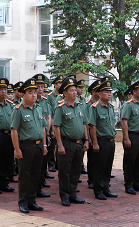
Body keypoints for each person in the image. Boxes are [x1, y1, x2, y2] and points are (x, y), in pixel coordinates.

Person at [11, 78, 47, 214]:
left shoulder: (38, 108)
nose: (33, 95)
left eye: (35, 92)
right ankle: (23, 202)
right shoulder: (18, 110)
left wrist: (44, 144)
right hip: (26, 146)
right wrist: (17, 149)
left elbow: (43, 126)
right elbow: (14, 130)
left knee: (35, 175)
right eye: (30, 92)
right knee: (25, 175)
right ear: (23, 95)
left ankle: (32, 201)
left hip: (38, 146)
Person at [53, 77, 90, 206]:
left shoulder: (80, 106)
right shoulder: (61, 107)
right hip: (66, 143)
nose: (75, 92)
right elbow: (56, 127)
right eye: (71, 90)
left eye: (75, 90)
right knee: (65, 171)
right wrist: (60, 145)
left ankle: (73, 194)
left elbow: (85, 124)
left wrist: (86, 140)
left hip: (79, 143)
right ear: (64, 93)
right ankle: (64, 196)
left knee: (76, 170)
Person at [88, 80, 118, 200]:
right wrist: (94, 142)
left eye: (110, 92)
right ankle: (98, 190)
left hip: (111, 141)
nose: (109, 94)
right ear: (99, 94)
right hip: (101, 141)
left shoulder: (111, 107)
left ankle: (106, 188)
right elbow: (93, 126)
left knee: (108, 166)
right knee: (99, 167)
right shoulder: (94, 107)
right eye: (106, 92)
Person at [34, 74, 54, 193]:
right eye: (38, 86)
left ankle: (40, 185)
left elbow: (48, 118)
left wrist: (47, 134)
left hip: (43, 136)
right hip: (31, 136)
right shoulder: (27, 102)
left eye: (42, 86)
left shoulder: (45, 101)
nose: (40, 89)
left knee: (42, 162)